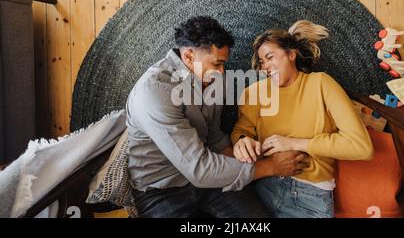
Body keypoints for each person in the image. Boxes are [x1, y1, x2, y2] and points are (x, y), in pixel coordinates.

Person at [126, 16, 309, 218]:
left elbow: (213, 137)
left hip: (209, 177)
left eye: (224, 64)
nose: (222, 72)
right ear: (188, 57)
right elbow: (199, 170)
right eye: (217, 63)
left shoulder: (213, 79)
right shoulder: (155, 91)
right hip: (161, 189)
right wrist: (270, 166)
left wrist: (244, 153)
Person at [231, 20, 374, 218]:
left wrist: (294, 143)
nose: (265, 67)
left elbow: (361, 147)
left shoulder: (321, 84)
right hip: (261, 184)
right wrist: (241, 142)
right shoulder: (254, 93)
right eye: (262, 61)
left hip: (310, 196)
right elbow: (241, 132)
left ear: (292, 54)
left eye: (270, 57)